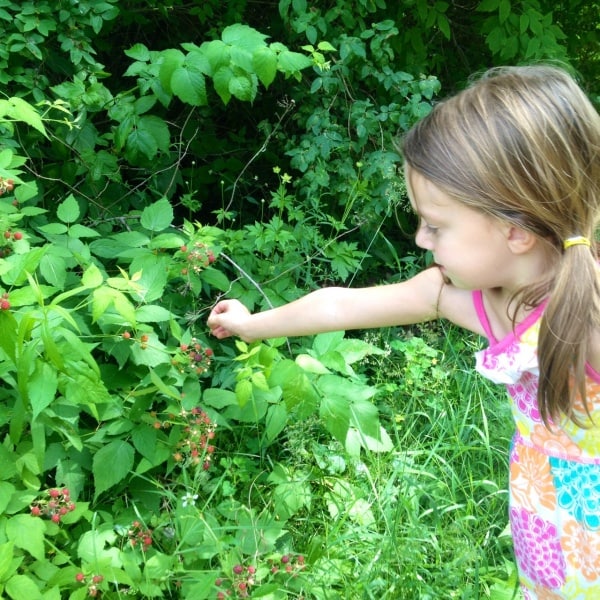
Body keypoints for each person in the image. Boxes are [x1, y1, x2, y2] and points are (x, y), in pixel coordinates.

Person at [208, 64, 600, 598]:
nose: (420, 239)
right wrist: (252, 325)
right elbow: (338, 307)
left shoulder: (589, 319)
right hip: (547, 556)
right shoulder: (477, 302)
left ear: (515, 229)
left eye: (436, 226)